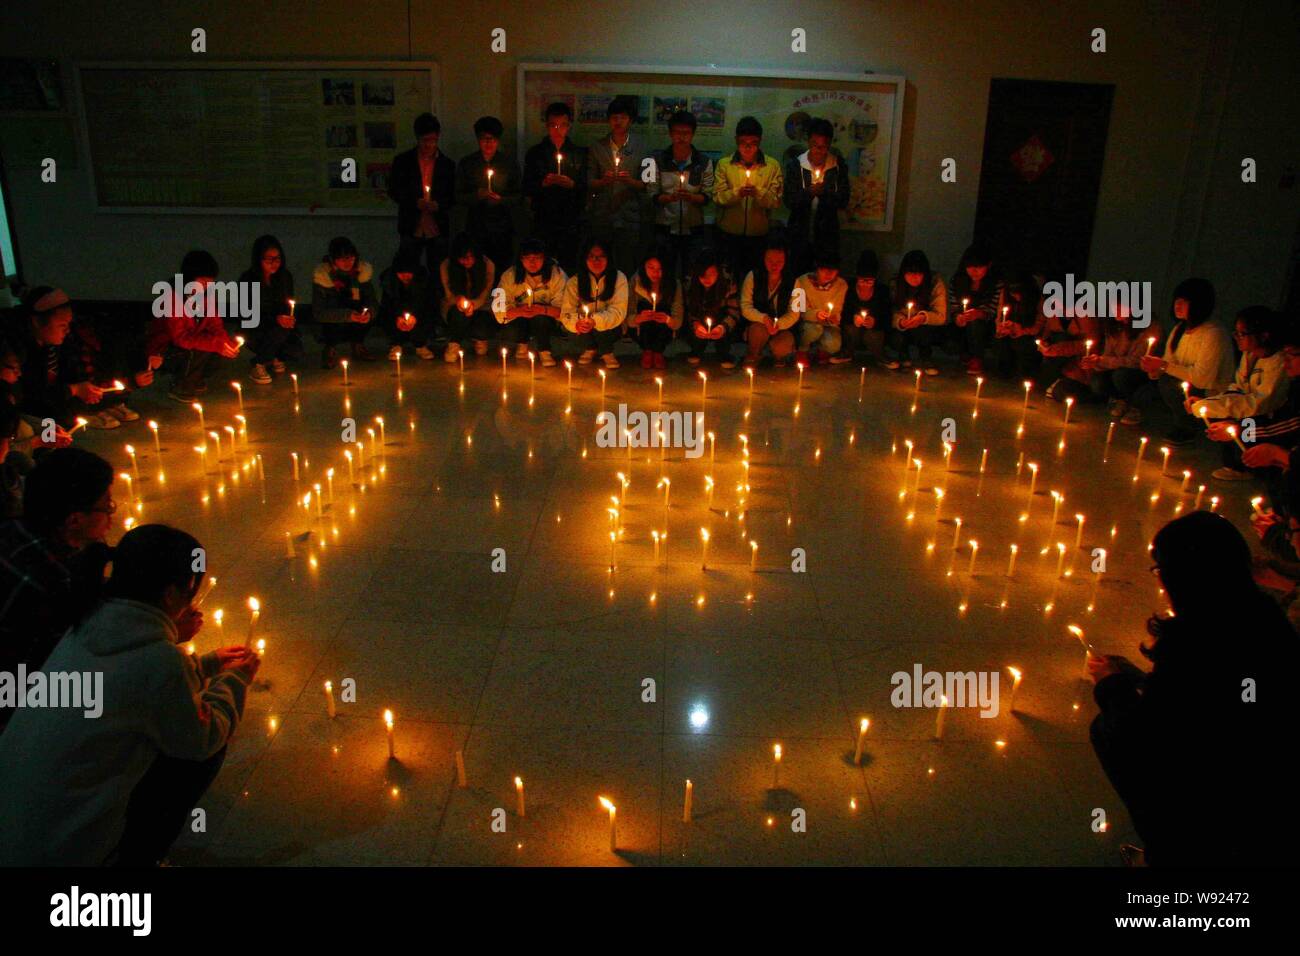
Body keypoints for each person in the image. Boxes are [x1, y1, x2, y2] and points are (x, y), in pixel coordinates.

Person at [0, 524, 259, 866]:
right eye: (190, 591)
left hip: (14, 823)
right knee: (202, 752)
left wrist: (207, 664)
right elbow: (198, 738)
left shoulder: (88, 619)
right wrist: (235, 680)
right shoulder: (159, 660)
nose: (193, 601)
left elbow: (130, 686)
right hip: (62, 849)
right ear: (170, 595)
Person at [1088, 511, 1300, 867]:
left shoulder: (1194, 640)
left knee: (1108, 730)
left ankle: (1174, 852)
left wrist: (1111, 686)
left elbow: (1149, 730)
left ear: (1180, 576)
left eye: (1161, 571)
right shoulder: (1264, 615)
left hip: (1227, 807)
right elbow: (1202, 698)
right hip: (1276, 792)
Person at [0, 447, 115, 733]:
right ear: (74, 520)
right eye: (107, 505)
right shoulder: (53, 581)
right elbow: (80, 660)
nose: (112, 513)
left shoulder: (11, 529)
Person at [1116, 277, 1232, 443]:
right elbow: (1167, 363)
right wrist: (1153, 369)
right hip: (1178, 382)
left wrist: (1163, 366)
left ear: (1199, 304)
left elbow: (1203, 379)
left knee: (1167, 384)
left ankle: (1187, 426)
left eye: (1184, 301)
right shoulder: (1180, 329)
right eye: (1177, 300)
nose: (1178, 305)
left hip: (1207, 392)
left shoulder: (1213, 333)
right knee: (1139, 387)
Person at [1198, 307, 1290, 481]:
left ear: (1264, 336)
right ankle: (1235, 462)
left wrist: (1230, 417)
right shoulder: (1249, 355)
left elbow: (1262, 404)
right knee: (1219, 413)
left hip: (1268, 420)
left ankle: (1249, 467)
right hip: (1249, 411)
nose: (1237, 338)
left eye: (1242, 334)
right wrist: (1212, 403)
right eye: (1236, 333)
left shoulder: (1278, 363)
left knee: (1235, 418)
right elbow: (1238, 386)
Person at [147, 252, 242, 403]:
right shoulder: (172, 298)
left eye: (210, 282)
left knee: (219, 350)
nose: (207, 287)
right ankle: (180, 385)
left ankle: (195, 378)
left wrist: (225, 343)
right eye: (203, 282)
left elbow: (215, 325)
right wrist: (215, 344)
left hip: (189, 343)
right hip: (165, 351)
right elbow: (180, 338)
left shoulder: (206, 296)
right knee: (201, 348)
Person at [12, 287, 112, 426]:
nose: (67, 329)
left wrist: (83, 389)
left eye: (69, 324)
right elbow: (31, 397)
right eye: (62, 325)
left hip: (52, 416)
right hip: (25, 420)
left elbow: (69, 375)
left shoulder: (56, 344)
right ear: (36, 322)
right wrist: (74, 389)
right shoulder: (16, 353)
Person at [713, 116, 784, 283]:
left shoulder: (771, 166)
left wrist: (758, 192)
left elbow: (775, 200)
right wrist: (737, 193)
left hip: (759, 235)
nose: (748, 147)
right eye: (743, 142)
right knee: (728, 279)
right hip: (729, 234)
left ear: (759, 142)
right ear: (736, 141)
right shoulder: (725, 165)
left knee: (753, 280)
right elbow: (717, 197)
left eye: (753, 143)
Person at [586, 96, 649, 277]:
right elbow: (589, 182)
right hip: (602, 216)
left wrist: (630, 181)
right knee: (601, 264)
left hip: (629, 216)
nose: (618, 121)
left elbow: (648, 183)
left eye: (622, 117)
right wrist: (604, 181)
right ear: (608, 120)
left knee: (626, 264)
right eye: (614, 117)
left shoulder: (642, 148)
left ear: (630, 120)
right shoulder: (597, 147)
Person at [522, 102, 588, 272]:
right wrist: (543, 183)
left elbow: (586, 186)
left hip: (570, 219)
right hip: (544, 218)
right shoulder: (535, 153)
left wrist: (572, 184)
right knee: (544, 264)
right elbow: (527, 186)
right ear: (547, 125)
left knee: (569, 263)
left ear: (569, 125)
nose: (557, 129)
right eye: (553, 125)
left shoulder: (579, 153)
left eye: (562, 125)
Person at [387, 113, 455, 275]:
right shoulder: (403, 162)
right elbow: (394, 190)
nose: (429, 145)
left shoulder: (447, 164)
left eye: (432, 140)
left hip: (437, 226)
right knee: (407, 270)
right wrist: (414, 202)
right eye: (425, 140)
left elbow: (453, 195)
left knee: (438, 272)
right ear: (417, 138)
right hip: (411, 224)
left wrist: (438, 205)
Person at [648, 111, 714, 279]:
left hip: (694, 229)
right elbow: (652, 194)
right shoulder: (655, 160)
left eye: (686, 133)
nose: (682, 137)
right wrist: (669, 198)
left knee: (691, 274)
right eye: (677, 132)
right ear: (670, 134)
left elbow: (708, 195)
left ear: (693, 134)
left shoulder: (704, 162)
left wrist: (691, 197)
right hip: (665, 227)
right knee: (664, 273)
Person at [783, 118, 851, 275]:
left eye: (824, 146)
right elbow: (788, 200)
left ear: (829, 145)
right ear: (808, 142)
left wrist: (824, 193)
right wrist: (808, 192)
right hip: (799, 236)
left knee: (823, 278)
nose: (819, 150)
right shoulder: (796, 165)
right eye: (815, 145)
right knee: (799, 279)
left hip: (827, 238)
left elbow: (843, 200)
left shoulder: (837, 166)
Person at [456, 115, 519, 279]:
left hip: (502, 227)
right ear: (478, 139)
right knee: (478, 270)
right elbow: (458, 196)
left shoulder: (509, 163)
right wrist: (477, 195)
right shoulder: (468, 164)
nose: (489, 143)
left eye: (493, 139)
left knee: (501, 270)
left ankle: (499, 302)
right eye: (484, 139)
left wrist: (501, 200)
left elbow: (519, 195)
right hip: (476, 226)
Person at [491, 237, 568, 366]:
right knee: (513, 328)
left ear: (544, 258)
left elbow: (565, 309)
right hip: (519, 319)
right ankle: (522, 342)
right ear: (521, 259)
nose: (532, 263)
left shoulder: (557, 275)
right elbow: (498, 309)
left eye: (537, 258)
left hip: (545, 319)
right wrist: (519, 311)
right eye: (527, 258)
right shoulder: (509, 276)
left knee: (540, 319)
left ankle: (544, 350)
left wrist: (541, 310)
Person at [554, 238, 627, 369]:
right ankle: (589, 348)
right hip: (584, 328)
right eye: (591, 257)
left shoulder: (618, 278)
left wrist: (594, 320)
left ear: (608, 258)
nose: (596, 261)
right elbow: (567, 312)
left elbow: (618, 311)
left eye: (601, 257)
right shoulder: (575, 281)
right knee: (571, 328)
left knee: (606, 327)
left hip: (609, 328)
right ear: (584, 259)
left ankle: (606, 351)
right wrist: (578, 323)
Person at [311, 237, 378, 369]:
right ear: (333, 259)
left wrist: (369, 313)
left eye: (351, 258)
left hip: (356, 314)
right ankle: (330, 347)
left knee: (365, 312)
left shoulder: (361, 273)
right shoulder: (323, 277)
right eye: (342, 259)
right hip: (333, 319)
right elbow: (318, 312)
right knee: (331, 317)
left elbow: (372, 301)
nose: (348, 262)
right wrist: (347, 315)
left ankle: (358, 343)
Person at [239, 235, 295, 385]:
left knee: (295, 349)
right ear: (258, 259)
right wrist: (275, 319)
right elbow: (247, 315)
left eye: (277, 258)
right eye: (268, 259)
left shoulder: (284, 277)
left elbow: (288, 305)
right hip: (255, 327)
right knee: (279, 331)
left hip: (278, 325)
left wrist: (289, 317)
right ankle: (259, 363)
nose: (274, 263)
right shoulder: (248, 279)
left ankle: (272, 356)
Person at [740, 238, 800, 368]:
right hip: (759, 324)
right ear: (763, 259)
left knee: (782, 346)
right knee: (758, 331)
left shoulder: (795, 282)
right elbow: (745, 306)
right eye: (770, 261)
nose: (774, 265)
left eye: (779, 261)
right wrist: (763, 318)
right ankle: (754, 354)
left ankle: (778, 355)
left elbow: (795, 313)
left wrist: (780, 324)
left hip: (783, 327)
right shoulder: (752, 276)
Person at [440, 233, 498, 363]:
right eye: (463, 257)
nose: (468, 261)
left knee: (482, 325)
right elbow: (448, 294)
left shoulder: (487, 264)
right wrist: (459, 301)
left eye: (472, 257)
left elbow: (485, 293)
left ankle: (479, 338)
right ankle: (454, 343)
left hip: (482, 306)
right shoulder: (447, 265)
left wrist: (473, 304)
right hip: (454, 305)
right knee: (458, 316)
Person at [889, 250, 948, 375]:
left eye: (919, 274)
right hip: (902, 328)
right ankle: (903, 354)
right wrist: (901, 321)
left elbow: (941, 315)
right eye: (910, 273)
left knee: (924, 332)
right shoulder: (895, 283)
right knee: (896, 337)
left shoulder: (934, 283)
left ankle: (925, 356)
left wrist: (923, 318)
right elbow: (891, 311)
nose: (914, 278)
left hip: (925, 328)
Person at [1080, 307, 1145, 418]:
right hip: (1116, 366)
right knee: (1097, 381)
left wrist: (1103, 360)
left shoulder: (1146, 327)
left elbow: (1136, 361)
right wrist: (1095, 362)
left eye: (1121, 306)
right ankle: (1118, 399)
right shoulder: (1113, 325)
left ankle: (1131, 404)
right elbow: (1108, 354)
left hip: (1138, 371)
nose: (1116, 309)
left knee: (1121, 376)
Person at [947, 243, 1000, 376]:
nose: (973, 271)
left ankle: (976, 357)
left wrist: (979, 314)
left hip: (985, 327)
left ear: (988, 265)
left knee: (976, 324)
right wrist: (957, 317)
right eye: (970, 267)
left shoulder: (996, 284)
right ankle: (965, 353)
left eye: (979, 267)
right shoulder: (957, 281)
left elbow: (993, 310)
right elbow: (953, 307)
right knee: (949, 343)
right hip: (961, 327)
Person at [1037, 297, 1103, 402]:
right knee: (1048, 388)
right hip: (1063, 362)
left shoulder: (1086, 314)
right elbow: (1047, 333)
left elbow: (1089, 345)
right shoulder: (1055, 311)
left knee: (1060, 393)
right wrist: (1044, 344)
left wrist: (1057, 349)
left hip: (1082, 366)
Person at [681, 248, 738, 368]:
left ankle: (723, 352)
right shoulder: (690, 285)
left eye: (712, 274)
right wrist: (696, 324)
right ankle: (696, 349)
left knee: (725, 325)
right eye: (703, 275)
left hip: (720, 320)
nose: (707, 279)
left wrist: (723, 327)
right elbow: (688, 310)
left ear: (719, 272)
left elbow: (734, 312)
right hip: (699, 318)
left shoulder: (728, 285)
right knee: (693, 332)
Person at [378, 246, 436, 362]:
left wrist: (415, 316)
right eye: (401, 273)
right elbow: (387, 305)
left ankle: (420, 344)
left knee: (429, 313)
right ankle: (396, 344)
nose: (405, 276)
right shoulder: (389, 281)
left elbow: (428, 304)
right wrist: (397, 318)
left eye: (409, 272)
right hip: (397, 317)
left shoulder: (423, 280)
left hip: (418, 317)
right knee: (384, 315)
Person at [794, 249, 850, 366]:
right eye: (824, 269)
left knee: (834, 344)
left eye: (833, 270)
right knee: (814, 330)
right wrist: (816, 314)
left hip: (828, 324)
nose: (828, 274)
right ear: (817, 269)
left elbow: (838, 309)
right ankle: (802, 351)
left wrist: (835, 317)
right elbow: (798, 310)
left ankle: (822, 350)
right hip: (808, 323)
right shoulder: (801, 282)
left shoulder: (841, 285)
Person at [628, 252, 683, 370]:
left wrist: (668, 320)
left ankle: (658, 351)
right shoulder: (636, 281)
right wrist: (639, 318)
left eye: (660, 268)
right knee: (645, 305)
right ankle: (647, 350)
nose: (655, 272)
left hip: (664, 330)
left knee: (662, 308)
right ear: (644, 267)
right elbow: (629, 314)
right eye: (651, 267)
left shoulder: (673, 284)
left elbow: (678, 315)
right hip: (641, 329)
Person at [840, 249, 893, 368]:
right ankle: (847, 352)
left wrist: (875, 322)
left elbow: (887, 317)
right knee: (850, 329)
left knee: (873, 335)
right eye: (862, 280)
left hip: (874, 332)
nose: (865, 283)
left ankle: (880, 355)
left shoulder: (882, 291)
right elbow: (842, 312)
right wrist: (853, 318)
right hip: (852, 330)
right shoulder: (848, 288)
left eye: (870, 281)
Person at [990, 269, 1045, 380]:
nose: (1016, 296)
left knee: (1022, 344)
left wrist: (1023, 330)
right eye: (1012, 293)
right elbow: (999, 315)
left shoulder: (1039, 297)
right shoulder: (1005, 293)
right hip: (1011, 332)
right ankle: (1005, 370)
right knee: (1000, 342)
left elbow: (1039, 324)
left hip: (1029, 334)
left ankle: (1025, 371)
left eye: (1019, 293)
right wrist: (1002, 328)